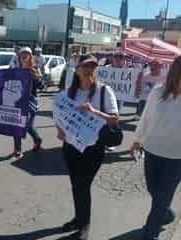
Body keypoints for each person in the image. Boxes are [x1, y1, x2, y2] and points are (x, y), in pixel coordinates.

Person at [131, 55, 181, 240]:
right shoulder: (158, 91)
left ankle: (150, 233)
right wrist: (137, 140)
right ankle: (168, 214)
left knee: (161, 198)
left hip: (179, 158)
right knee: (155, 192)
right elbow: (146, 117)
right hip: (152, 152)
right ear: (175, 73)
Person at [57, 55, 119, 240]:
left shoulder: (104, 91)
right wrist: (59, 129)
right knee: (76, 185)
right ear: (76, 70)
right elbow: (60, 113)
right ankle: (78, 218)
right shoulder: (69, 92)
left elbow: (115, 119)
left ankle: (84, 224)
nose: (89, 70)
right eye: (85, 66)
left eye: (92, 66)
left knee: (82, 185)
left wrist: (94, 111)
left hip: (93, 148)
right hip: (71, 146)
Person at [11, 47, 44, 159]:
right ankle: (17, 150)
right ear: (19, 57)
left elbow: (42, 86)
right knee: (16, 125)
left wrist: (37, 77)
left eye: (27, 54)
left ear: (30, 56)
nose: (24, 56)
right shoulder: (17, 69)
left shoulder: (34, 68)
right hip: (18, 101)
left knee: (27, 125)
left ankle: (37, 139)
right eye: (22, 54)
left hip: (31, 102)